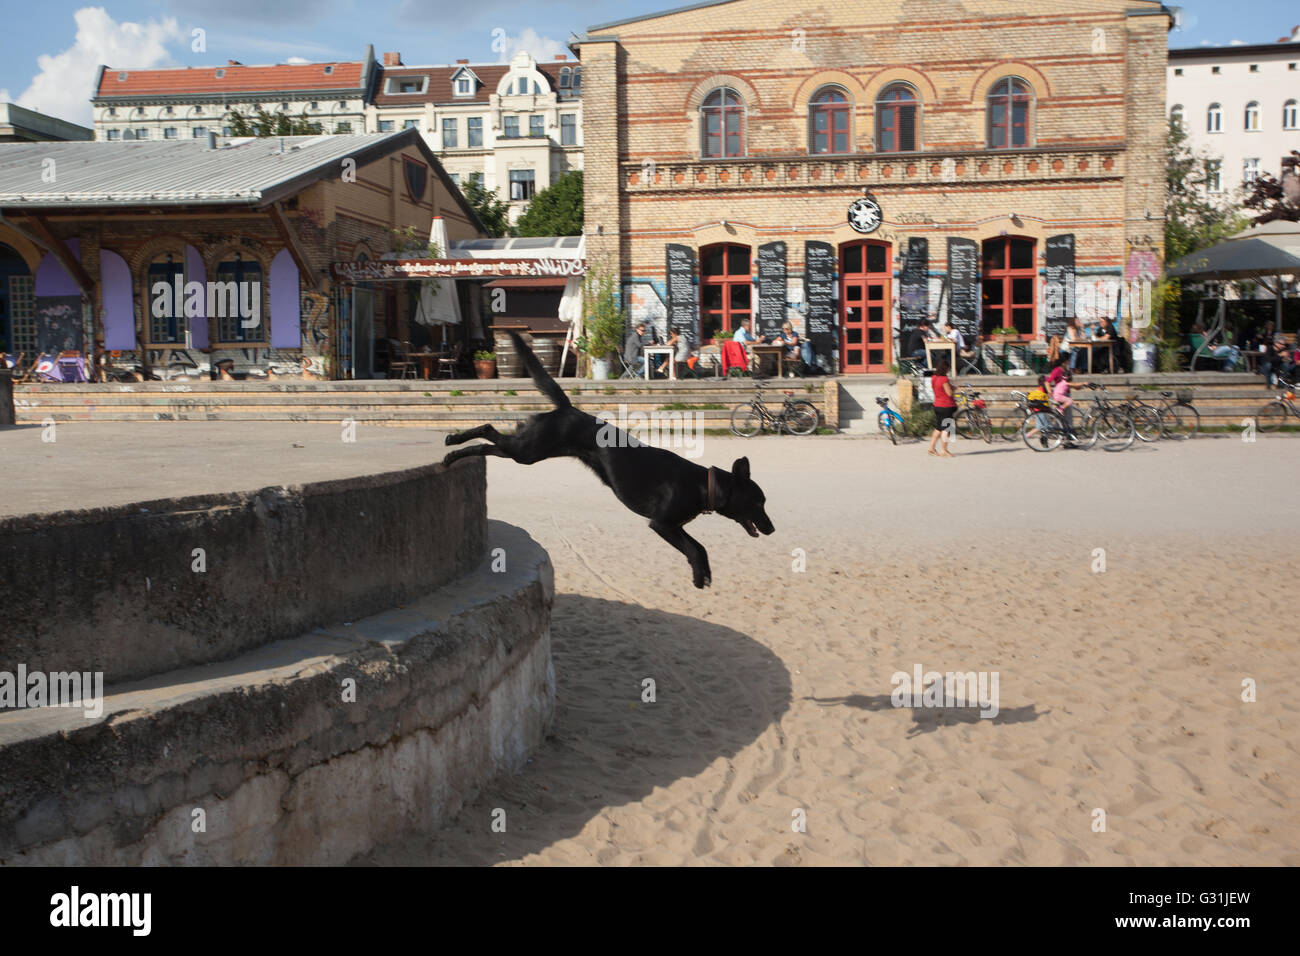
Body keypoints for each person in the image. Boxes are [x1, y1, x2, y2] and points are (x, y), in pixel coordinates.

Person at [927, 356, 957, 458]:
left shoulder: (934, 378)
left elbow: (938, 388)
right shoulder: (944, 379)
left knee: (938, 428)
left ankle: (931, 448)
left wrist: (950, 386)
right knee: (947, 429)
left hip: (937, 405)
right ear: (946, 368)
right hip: (946, 406)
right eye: (948, 368)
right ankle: (944, 450)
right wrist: (953, 390)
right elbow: (949, 393)